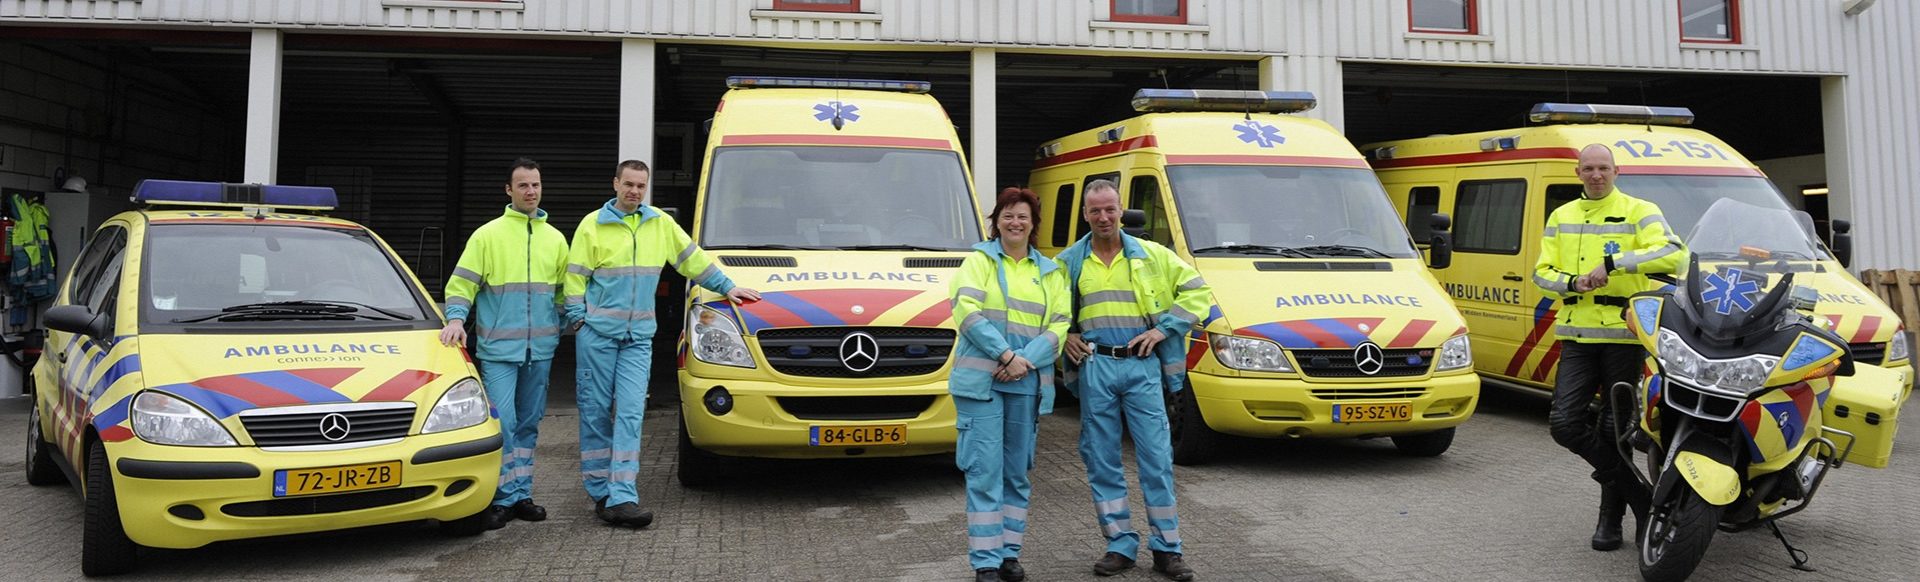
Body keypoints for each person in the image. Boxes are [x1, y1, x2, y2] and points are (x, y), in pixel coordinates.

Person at [565, 159, 760, 528]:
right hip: (597, 337)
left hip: (637, 339)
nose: (634, 191)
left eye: (641, 185)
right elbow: (574, 279)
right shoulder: (592, 225)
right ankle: (600, 492)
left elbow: (692, 260)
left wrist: (727, 287)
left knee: (630, 413)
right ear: (615, 184)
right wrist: (578, 321)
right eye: (628, 184)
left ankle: (622, 495)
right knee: (595, 412)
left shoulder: (660, 224)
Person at [1533, 143, 1684, 551]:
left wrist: (1615, 264)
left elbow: (1675, 255)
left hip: (1622, 336)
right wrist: (1573, 282)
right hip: (1576, 335)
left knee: (1614, 430)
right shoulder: (1561, 216)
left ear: (1617, 171)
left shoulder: (1640, 210)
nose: (1596, 175)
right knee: (1565, 424)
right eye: (1589, 169)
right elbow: (1541, 273)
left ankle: (1609, 521)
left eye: (1603, 168)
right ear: (1578, 173)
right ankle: (1643, 498)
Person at [1058, 180, 1210, 581]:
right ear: (1085, 215)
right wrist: (1066, 334)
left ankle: (1167, 549)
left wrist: (1163, 330)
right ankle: (1119, 545)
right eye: (1095, 211)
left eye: (1110, 209)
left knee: (1156, 459)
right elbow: (1051, 312)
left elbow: (1200, 293)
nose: (1103, 217)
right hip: (1096, 366)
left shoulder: (1152, 255)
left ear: (1121, 210)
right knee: (1102, 459)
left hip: (1141, 366)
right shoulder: (1070, 262)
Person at [440, 157, 570, 530]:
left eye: (536, 184)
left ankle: (521, 494)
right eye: (523, 185)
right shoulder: (487, 236)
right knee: (504, 424)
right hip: (498, 350)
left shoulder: (555, 239)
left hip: (540, 350)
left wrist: (558, 325)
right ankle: (501, 497)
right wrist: (455, 318)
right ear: (509, 190)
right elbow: (462, 284)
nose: (531, 191)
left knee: (529, 423)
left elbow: (565, 293)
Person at [949, 187, 1072, 582]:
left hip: (1025, 382)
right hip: (981, 384)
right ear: (996, 221)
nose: (1015, 222)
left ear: (1033, 224)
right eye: (1008, 215)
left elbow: (1060, 324)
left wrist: (1023, 362)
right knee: (984, 472)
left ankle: (1009, 555)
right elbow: (966, 311)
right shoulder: (978, 261)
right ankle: (985, 561)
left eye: (1022, 216)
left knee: (1016, 474)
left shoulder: (1050, 271)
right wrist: (1006, 356)